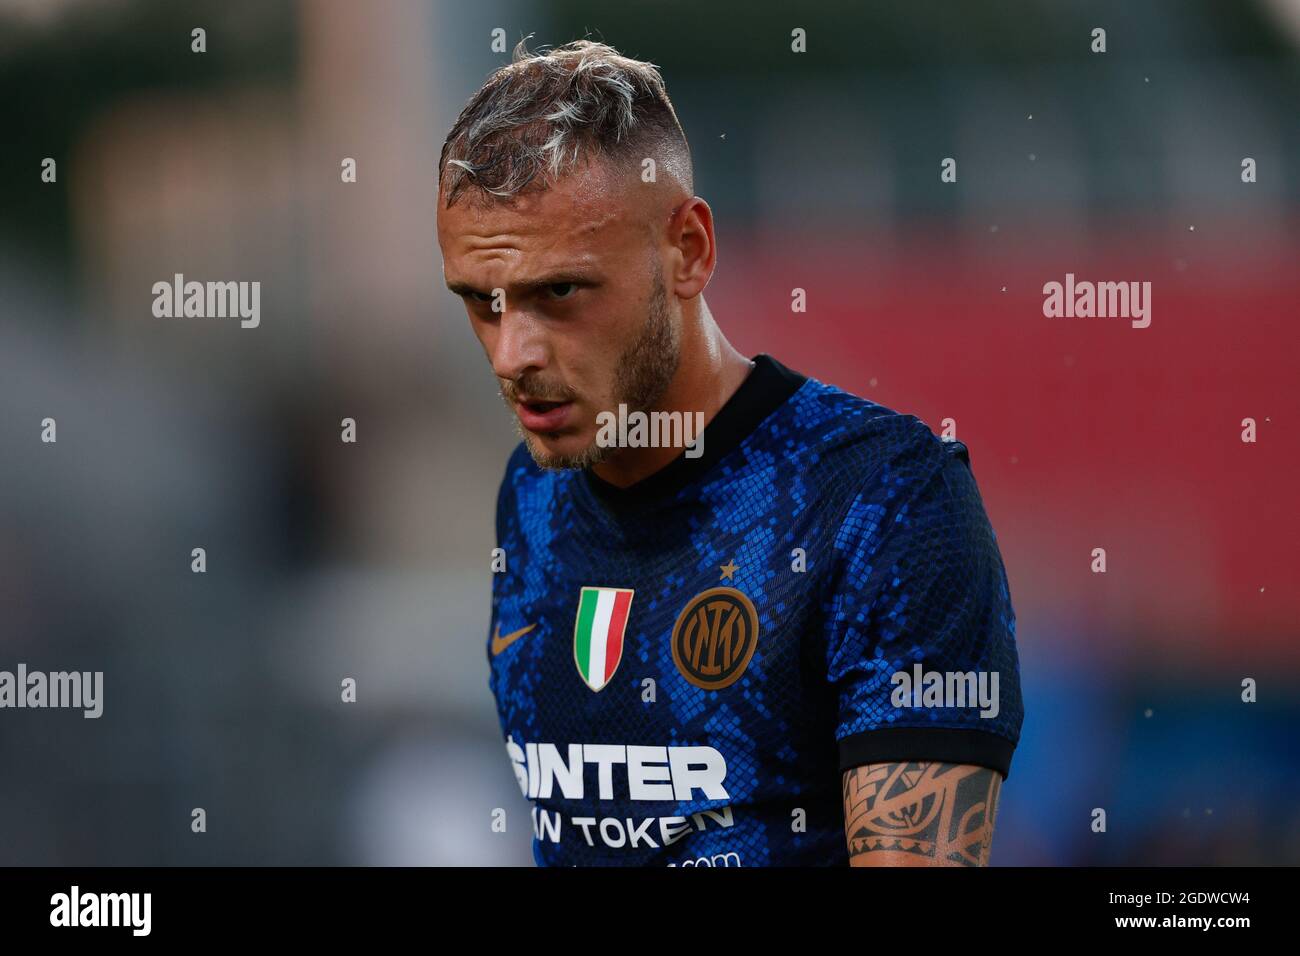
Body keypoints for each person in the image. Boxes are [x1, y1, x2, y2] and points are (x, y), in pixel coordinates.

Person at [436, 38, 1023, 866]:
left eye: (558, 293)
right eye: (481, 304)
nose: (511, 355)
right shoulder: (532, 494)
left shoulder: (882, 501)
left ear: (688, 251)